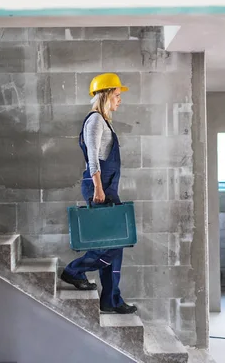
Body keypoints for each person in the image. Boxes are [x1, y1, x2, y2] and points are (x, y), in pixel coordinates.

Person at [60, 73, 137, 315]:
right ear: (105, 95)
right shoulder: (95, 121)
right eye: (117, 95)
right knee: (114, 243)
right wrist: (98, 187)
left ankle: (110, 301)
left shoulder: (105, 121)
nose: (119, 99)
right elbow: (92, 156)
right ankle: (73, 270)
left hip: (107, 187)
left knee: (115, 244)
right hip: (99, 186)